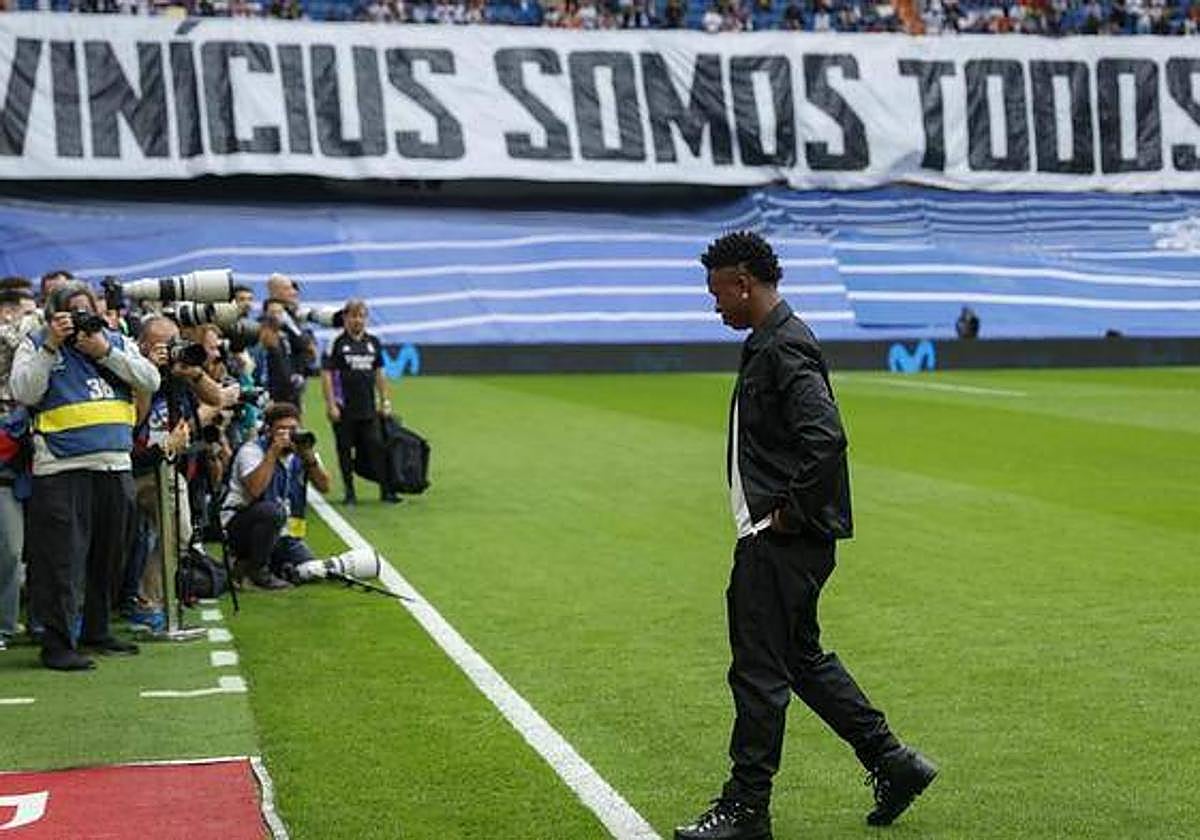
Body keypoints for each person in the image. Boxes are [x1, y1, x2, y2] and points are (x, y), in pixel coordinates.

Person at [675, 232, 936, 840]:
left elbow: (826, 436)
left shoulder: (783, 347)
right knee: (799, 659)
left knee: (759, 672)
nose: (715, 306)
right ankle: (892, 762)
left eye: (718, 293)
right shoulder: (773, 341)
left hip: (782, 541)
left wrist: (785, 515)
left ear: (744, 284)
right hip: (789, 539)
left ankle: (746, 808)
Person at [10, 281, 160, 670]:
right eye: (71, 311)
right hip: (60, 469)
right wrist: (51, 346)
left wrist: (105, 350)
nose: (80, 318)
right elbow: (24, 391)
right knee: (62, 561)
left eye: (86, 309)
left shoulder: (115, 341)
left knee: (107, 557)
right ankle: (58, 644)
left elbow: (150, 380)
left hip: (114, 465)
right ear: (53, 314)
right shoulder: (37, 342)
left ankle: (97, 630)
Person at [221, 402, 331, 589]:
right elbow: (255, 489)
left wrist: (310, 458)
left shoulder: (301, 450)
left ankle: (251, 567)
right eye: (282, 429)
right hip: (241, 527)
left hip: (285, 535)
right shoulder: (252, 451)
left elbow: (324, 486)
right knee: (272, 512)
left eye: (293, 429)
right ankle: (257, 570)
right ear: (269, 431)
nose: (288, 435)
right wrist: (272, 453)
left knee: (310, 569)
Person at [320, 300, 398, 505]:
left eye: (361, 316)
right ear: (345, 318)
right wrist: (331, 404)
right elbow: (327, 374)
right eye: (353, 316)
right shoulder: (336, 342)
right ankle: (349, 492)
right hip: (344, 407)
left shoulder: (373, 342)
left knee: (376, 447)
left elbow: (379, 373)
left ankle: (386, 490)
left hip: (368, 407)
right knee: (344, 450)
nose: (358, 320)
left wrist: (385, 401)